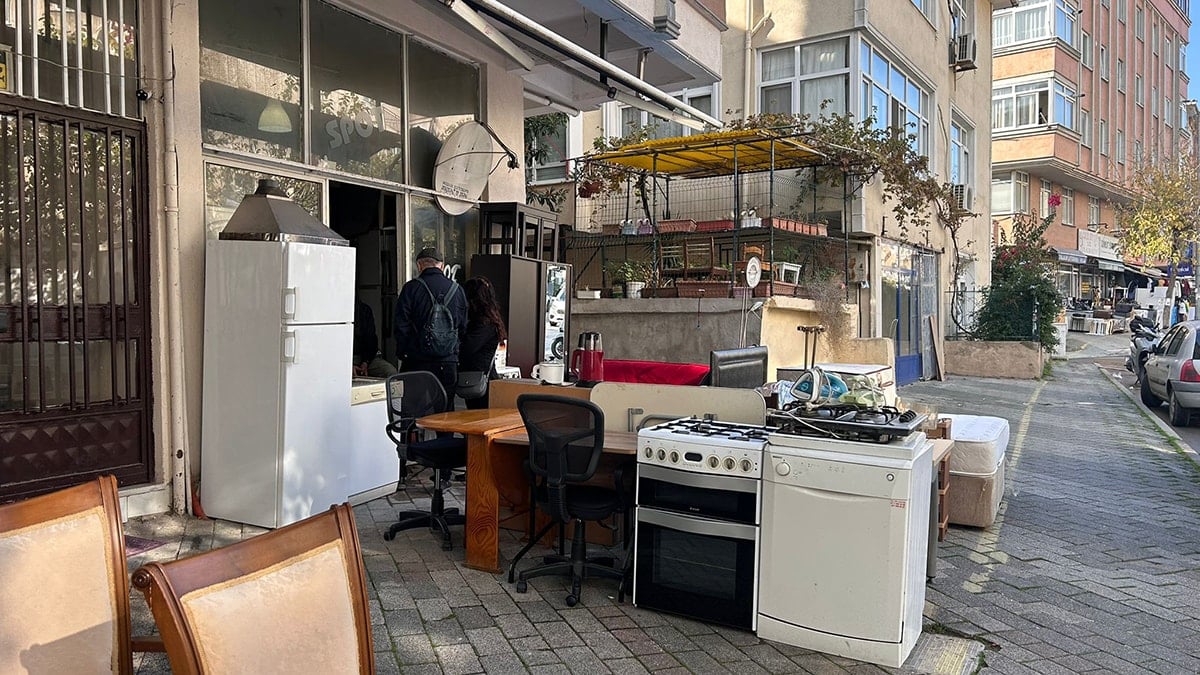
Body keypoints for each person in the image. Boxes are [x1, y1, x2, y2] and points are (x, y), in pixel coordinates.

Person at [394, 247, 467, 408]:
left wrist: (405, 352)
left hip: (416, 361)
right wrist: (453, 350)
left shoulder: (411, 288)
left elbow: (401, 325)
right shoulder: (457, 290)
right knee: (445, 411)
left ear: (419, 265)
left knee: (412, 410)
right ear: (441, 266)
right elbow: (462, 326)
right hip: (447, 362)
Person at [459, 277, 507, 409]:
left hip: (481, 380)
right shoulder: (490, 320)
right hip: (481, 378)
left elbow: (466, 348)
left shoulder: (483, 324)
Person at [352, 299, 398, 378]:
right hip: (344, 359)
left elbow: (371, 339)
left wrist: (365, 362)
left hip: (367, 358)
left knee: (391, 372)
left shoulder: (364, 309)